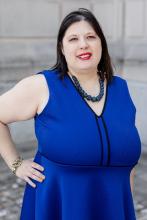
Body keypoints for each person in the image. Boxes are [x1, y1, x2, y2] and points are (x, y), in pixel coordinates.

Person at [0, 8, 141, 220]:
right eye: (73, 38)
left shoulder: (121, 89)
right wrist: (16, 164)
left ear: (101, 43)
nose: (83, 44)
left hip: (113, 210)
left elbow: (126, 165)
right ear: (62, 48)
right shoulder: (43, 86)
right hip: (59, 209)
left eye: (91, 37)